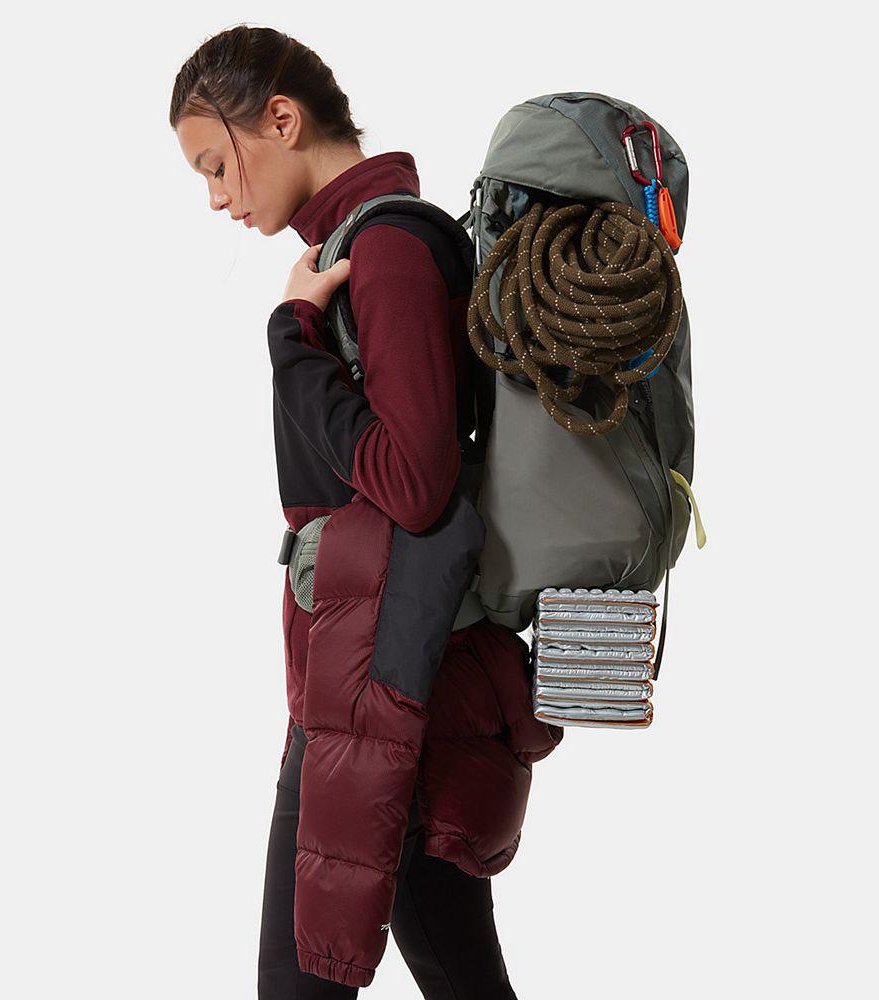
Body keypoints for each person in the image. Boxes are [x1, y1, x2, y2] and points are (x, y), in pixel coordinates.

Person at [171, 24, 562, 998]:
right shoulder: (365, 246)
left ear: (281, 119)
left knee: (301, 978)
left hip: (385, 681)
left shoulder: (385, 248)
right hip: (382, 668)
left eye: (216, 164)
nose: (216, 197)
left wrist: (291, 339)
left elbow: (414, 478)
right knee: (458, 970)